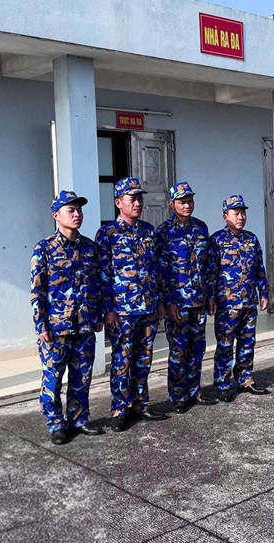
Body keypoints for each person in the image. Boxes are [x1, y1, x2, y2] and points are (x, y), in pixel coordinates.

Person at [30, 190, 104, 445]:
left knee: (81, 377)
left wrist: (98, 313)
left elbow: (97, 284)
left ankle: (79, 419)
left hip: (84, 325)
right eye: (70, 210)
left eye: (79, 210)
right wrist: (40, 324)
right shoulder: (44, 248)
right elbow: (37, 289)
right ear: (56, 215)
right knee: (52, 379)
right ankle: (55, 424)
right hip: (56, 328)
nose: (76, 214)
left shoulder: (90, 248)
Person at [96, 177, 168, 432]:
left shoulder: (149, 231)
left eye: (139, 198)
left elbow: (156, 269)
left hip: (148, 308)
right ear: (118, 202)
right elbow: (103, 275)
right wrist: (108, 309)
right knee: (122, 361)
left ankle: (140, 403)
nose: (137, 203)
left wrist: (160, 302)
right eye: (132, 199)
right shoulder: (107, 234)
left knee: (144, 359)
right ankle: (120, 408)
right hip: (122, 311)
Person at [155, 181, 219, 413]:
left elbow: (208, 265)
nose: (187, 205)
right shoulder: (163, 232)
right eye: (182, 201)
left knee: (197, 349)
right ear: (172, 204)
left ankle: (194, 391)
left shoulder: (201, 228)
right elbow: (161, 271)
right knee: (178, 350)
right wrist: (168, 301)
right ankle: (178, 395)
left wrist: (210, 295)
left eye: (190, 201)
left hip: (199, 301)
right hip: (178, 304)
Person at [209, 195, 270, 402]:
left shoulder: (251, 239)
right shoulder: (217, 241)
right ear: (225, 216)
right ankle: (223, 383)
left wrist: (264, 293)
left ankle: (244, 378)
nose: (241, 217)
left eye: (243, 213)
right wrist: (211, 298)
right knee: (225, 345)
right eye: (236, 213)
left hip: (249, 302)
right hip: (227, 305)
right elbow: (211, 273)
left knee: (247, 342)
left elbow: (259, 268)